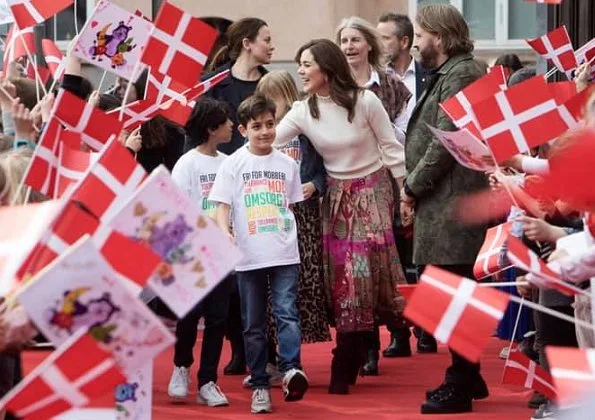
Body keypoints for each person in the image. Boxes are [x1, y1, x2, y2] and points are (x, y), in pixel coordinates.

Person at [274, 39, 406, 395]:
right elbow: (267, 141)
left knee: (361, 276)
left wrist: (405, 194)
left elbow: (392, 148)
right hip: (336, 199)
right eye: (299, 64)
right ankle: (355, 349)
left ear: (327, 69)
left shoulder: (366, 101)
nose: (299, 70)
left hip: (373, 192)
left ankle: (345, 358)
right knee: (346, 280)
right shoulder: (303, 110)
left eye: (306, 64)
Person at [400, 4, 489, 414]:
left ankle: (460, 383)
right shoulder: (451, 72)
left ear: (440, 34)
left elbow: (445, 142)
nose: (416, 41)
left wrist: (413, 186)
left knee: (451, 291)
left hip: (452, 202)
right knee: (447, 290)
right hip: (443, 203)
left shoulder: (464, 73)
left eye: (420, 33)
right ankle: (468, 376)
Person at [210, 95, 309, 414]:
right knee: (252, 323)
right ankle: (260, 383)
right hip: (248, 255)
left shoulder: (288, 164)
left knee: (286, 313)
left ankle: (292, 369)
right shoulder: (233, 163)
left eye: (270, 125)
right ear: (242, 129)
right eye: (257, 127)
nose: (265, 132)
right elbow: (221, 205)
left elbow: (290, 204)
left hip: (283, 252)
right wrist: (225, 231)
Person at [238, 71, 329, 387]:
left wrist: (313, 187)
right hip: (263, 221)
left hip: (299, 219)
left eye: (273, 100)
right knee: (263, 301)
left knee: (292, 294)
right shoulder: (255, 139)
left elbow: (321, 174)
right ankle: (271, 361)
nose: (268, 116)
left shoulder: (304, 132)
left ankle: (292, 363)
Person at [335, 15, 411, 374]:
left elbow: (402, 137)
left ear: (368, 44)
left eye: (354, 40)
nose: (349, 47)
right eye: (343, 41)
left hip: (381, 182)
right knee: (357, 265)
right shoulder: (332, 86)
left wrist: (403, 186)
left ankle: (398, 327)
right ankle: (367, 342)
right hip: (344, 187)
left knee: (382, 258)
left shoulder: (393, 86)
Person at [203, 18, 275, 375]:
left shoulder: (271, 82)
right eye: (266, 39)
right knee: (231, 273)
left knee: (263, 268)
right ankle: (240, 347)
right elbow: (199, 129)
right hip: (224, 186)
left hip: (264, 185)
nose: (272, 46)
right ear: (247, 43)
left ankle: (268, 350)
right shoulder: (216, 83)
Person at [166, 97, 234, 407]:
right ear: (211, 128)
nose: (232, 126)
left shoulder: (227, 163)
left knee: (218, 318)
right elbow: (178, 209)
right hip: (193, 255)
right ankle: (181, 367)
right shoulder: (187, 163)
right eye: (226, 121)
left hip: (222, 255)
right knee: (190, 316)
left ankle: (208, 380)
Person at [376, 13, 429, 124]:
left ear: (404, 42)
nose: (378, 44)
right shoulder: (374, 78)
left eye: (385, 38)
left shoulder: (430, 77)